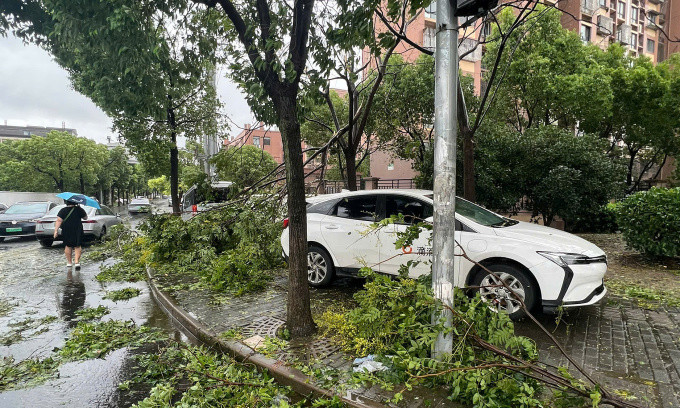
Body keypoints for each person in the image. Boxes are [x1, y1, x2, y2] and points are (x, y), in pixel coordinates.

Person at [54, 200, 88, 269]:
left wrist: (56, 231)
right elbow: (85, 218)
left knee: (68, 245)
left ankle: (69, 263)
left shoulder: (63, 210)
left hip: (67, 229)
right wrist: (80, 208)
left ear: (66, 202)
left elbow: (59, 220)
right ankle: (76, 262)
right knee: (77, 245)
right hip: (77, 229)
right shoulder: (79, 209)